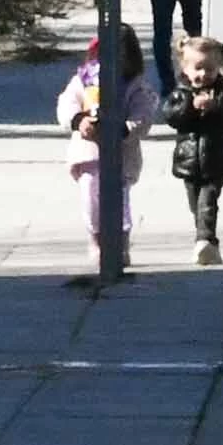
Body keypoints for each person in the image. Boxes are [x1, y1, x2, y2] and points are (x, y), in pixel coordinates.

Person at [64, 39, 161, 279]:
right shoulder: (83, 80)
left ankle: (121, 243)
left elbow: (144, 114)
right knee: (91, 199)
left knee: (120, 201)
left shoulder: (136, 87)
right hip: (89, 152)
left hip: (121, 154)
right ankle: (96, 240)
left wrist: (126, 129)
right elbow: (67, 103)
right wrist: (78, 120)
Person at [168, 37, 223, 262]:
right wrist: (189, 107)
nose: (203, 74)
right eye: (198, 68)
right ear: (185, 68)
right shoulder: (181, 93)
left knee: (207, 201)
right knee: (196, 204)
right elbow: (171, 116)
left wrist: (217, 107)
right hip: (189, 161)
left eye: (210, 69)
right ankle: (206, 241)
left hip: (216, 159)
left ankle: (205, 240)